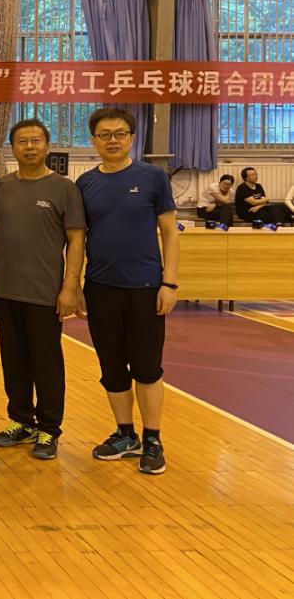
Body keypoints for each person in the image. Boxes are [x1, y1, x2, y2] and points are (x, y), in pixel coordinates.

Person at [77, 107, 178, 476]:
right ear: (94, 140)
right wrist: (75, 284)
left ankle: (153, 439)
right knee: (112, 367)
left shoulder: (153, 177)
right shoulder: (85, 183)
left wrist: (170, 282)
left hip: (146, 289)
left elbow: (170, 232)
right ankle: (125, 434)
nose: (113, 140)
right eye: (104, 135)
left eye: (120, 133)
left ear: (132, 137)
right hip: (100, 288)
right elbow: (77, 239)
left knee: (147, 368)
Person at [0, 119, 86, 460]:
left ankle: (49, 429)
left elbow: (76, 239)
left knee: (46, 363)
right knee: (13, 361)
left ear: (47, 145)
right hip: (6, 291)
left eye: (35, 141)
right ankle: (21, 421)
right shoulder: (1, 186)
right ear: (12, 147)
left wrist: (70, 285)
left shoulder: (64, 188)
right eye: (22, 141)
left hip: (45, 292)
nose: (29, 147)